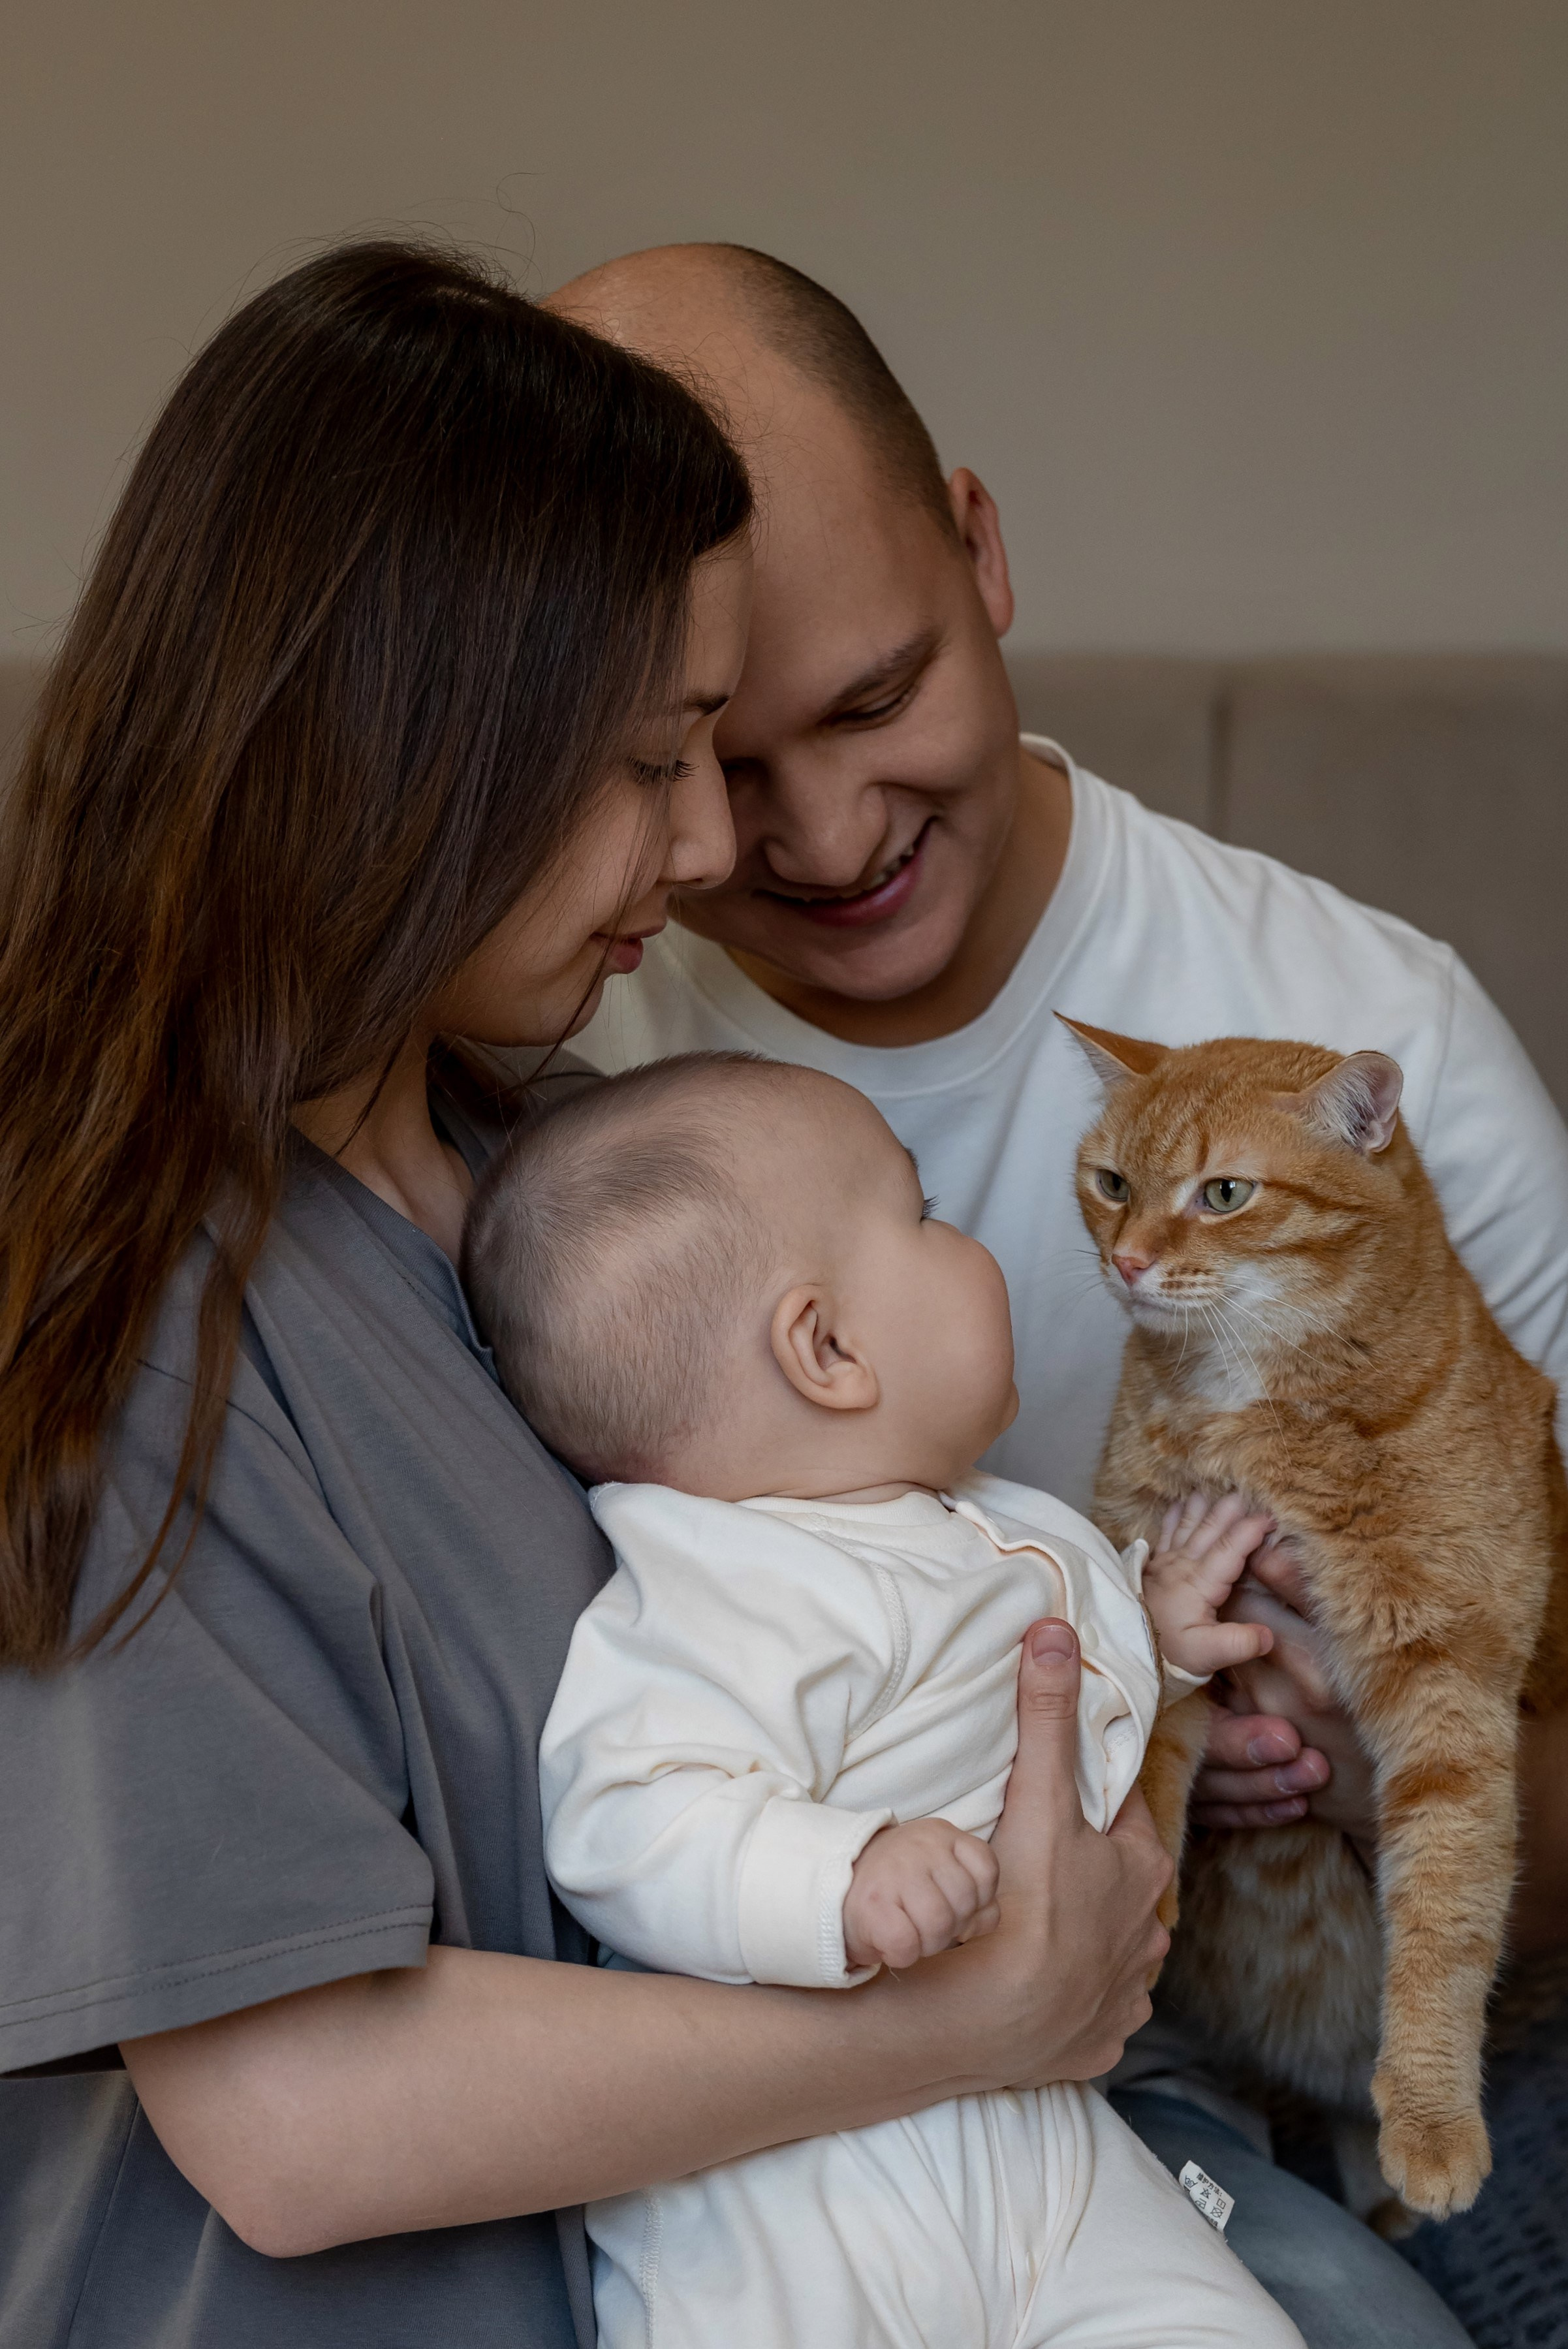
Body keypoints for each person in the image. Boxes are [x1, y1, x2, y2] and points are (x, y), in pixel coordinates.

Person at [0, 242, 1172, 2348]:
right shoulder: (138, 1313)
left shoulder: (550, 1182)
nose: (713, 842)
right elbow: (294, 2114)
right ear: (405, 740)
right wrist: (975, 2015)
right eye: (653, 758)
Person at [555, 239, 1568, 2345]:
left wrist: (1372, 1761)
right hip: (833, 2040)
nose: (824, 834)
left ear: (982, 549)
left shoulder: (1372, 1037)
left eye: (874, 700)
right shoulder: (572, 1089)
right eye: (714, 757)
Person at [465, 1048, 1299, 2349]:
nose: (971, 1238)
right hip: (792, 2189)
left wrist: (1152, 1637)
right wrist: (839, 1874)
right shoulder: (718, 1585)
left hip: (1042, 2142)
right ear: (828, 1348)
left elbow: (1020, 1702)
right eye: (925, 1215)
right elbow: (628, 1813)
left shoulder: (971, 1519)